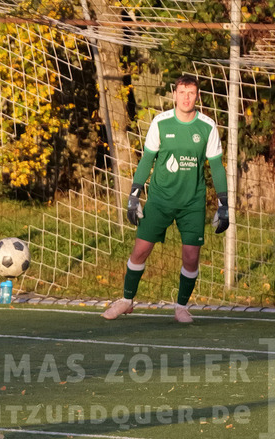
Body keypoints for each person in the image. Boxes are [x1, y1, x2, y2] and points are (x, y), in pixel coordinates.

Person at [102, 75, 229, 323]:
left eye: (191, 93)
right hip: (160, 200)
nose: (186, 97)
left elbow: (217, 166)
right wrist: (134, 194)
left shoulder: (207, 126)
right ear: (174, 95)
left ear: (198, 96)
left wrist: (223, 204)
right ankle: (126, 301)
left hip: (192, 203)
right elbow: (147, 159)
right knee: (140, 250)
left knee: (191, 257)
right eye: (182, 92)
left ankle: (181, 307)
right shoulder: (160, 123)